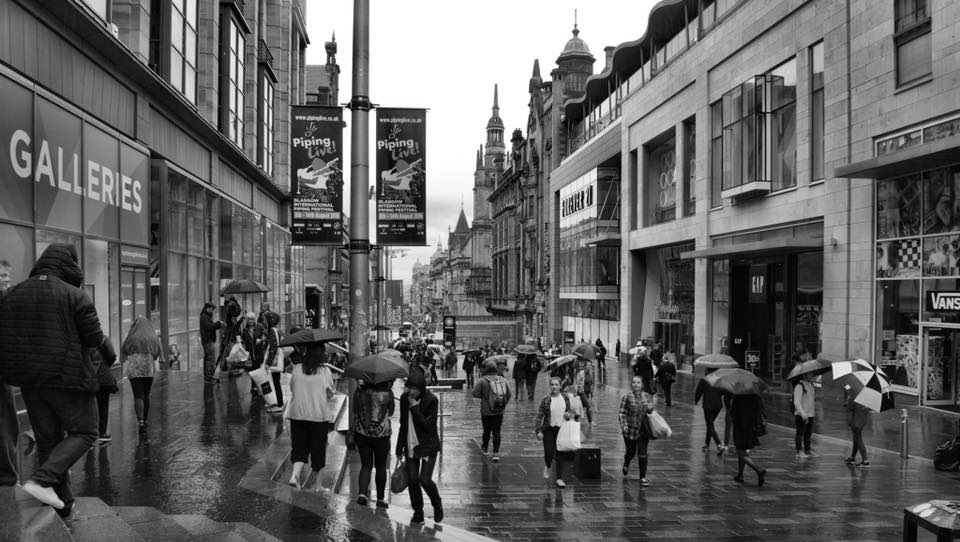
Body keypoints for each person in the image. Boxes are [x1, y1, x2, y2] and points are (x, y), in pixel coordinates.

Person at [0, 243, 112, 516]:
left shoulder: (11, 294)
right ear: (70, 266)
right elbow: (93, 338)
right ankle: (41, 480)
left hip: (30, 382)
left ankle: (63, 504)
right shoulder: (75, 295)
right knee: (86, 432)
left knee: (48, 441)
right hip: (68, 378)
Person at [285, 341, 336, 490]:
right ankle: (318, 486)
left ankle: (294, 476)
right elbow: (331, 393)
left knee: (299, 447)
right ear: (321, 354)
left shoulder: (297, 368)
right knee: (318, 449)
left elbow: (292, 387)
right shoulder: (325, 371)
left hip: (297, 414)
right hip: (318, 415)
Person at [396, 372, 443, 525]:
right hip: (410, 444)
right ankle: (418, 512)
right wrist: (398, 448)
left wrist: (415, 408)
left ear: (422, 388)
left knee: (425, 480)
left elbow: (428, 426)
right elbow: (403, 423)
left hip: (428, 445)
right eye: (409, 387)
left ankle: (437, 503)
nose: (411, 391)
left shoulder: (431, 400)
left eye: (414, 389)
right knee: (413, 479)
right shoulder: (404, 398)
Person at [351, 379, 395, 508]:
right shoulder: (388, 393)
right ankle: (380, 499)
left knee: (366, 464)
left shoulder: (359, 392)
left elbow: (355, 409)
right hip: (382, 434)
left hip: (362, 433)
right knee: (381, 467)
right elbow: (391, 412)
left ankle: (362, 495)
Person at [122, 317, 162, 434]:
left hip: (134, 369)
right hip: (148, 368)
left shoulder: (132, 336)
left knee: (138, 396)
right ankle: (145, 419)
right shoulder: (152, 336)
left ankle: (140, 422)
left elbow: (124, 348)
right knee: (146, 394)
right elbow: (156, 353)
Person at [536, 376, 575, 488]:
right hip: (548, 429)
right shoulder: (546, 399)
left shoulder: (565, 397)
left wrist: (568, 416)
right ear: (550, 386)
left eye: (556, 384)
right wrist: (538, 431)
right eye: (552, 384)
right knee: (548, 454)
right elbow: (539, 416)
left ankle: (559, 478)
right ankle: (547, 466)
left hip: (561, 429)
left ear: (560, 386)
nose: (554, 386)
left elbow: (569, 413)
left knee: (560, 455)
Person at [618, 375, 656, 485]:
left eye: (638, 382)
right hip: (630, 430)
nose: (636, 384)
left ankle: (643, 477)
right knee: (631, 452)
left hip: (643, 430)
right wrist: (624, 425)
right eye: (634, 382)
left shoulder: (647, 396)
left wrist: (650, 408)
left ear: (642, 385)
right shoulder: (627, 397)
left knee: (642, 453)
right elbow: (622, 413)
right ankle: (626, 462)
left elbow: (650, 412)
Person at [472, 360, 511, 462]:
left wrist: (484, 397)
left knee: (486, 430)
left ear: (486, 370)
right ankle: (496, 453)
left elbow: (474, 393)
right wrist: (503, 404)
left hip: (486, 411)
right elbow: (509, 394)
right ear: (496, 370)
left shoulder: (482, 381)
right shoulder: (502, 380)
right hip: (499, 411)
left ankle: (485, 448)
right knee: (497, 431)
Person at [730, 394, 767, 487]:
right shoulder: (756, 396)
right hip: (751, 427)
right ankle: (740, 475)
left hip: (740, 427)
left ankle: (758, 469)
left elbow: (732, 413)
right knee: (742, 450)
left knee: (740, 451)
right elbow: (762, 411)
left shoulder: (738, 396)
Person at [92, 338, 118, 444]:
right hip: (103, 375)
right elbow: (112, 355)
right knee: (103, 405)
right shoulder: (103, 339)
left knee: (89, 405)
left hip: (88, 375)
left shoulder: (81, 338)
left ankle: (90, 435)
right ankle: (102, 433)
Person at [694, 368, 725, 455]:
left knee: (710, 425)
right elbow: (723, 392)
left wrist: (696, 400)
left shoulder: (704, 380)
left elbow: (698, 391)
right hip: (718, 406)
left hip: (708, 406)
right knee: (710, 424)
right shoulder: (719, 380)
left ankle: (719, 444)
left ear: (707, 371)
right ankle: (707, 444)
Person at [262, 311, 285, 413]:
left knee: (276, 382)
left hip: (274, 360)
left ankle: (279, 404)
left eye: (265, 320)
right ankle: (277, 402)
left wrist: (268, 362)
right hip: (275, 359)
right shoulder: (277, 330)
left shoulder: (272, 330)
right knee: (276, 382)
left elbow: (273, 347)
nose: (264, 322)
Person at [241, 312, 266, 394]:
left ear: (254, 319)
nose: (250, 321)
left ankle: (260, 387)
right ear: (247, 321)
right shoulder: (245, 330)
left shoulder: (259, 326)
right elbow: (243, 340)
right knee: (252, 371)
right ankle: (254, 387)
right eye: (248, 319)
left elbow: (265, 335)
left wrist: (261, 339)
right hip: (250, 354)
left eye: (252, 319)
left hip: (259, 352)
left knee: (259, 370)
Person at [200, 302, 224, 384]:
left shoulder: (206, 316)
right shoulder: (204, 317)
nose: (212, 311)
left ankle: (210, 376)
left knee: (210, 358)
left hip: (209, 341)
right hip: (208, 341)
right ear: (207, 308)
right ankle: (208, 377)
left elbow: (211, 327)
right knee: (209, 359)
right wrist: (218, 323)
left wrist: (218, 324)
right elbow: (209, 327)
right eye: (211, 309)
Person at [219, 297, 244, 377]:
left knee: (232, 352)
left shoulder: (229, 312)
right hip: (231, 336)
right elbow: (234, 325)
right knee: (231, 353)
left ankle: (230, 368)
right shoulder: (231, 313)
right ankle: (230, 368)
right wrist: (240, 320)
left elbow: (235, 325)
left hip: (231, 335)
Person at [844, 391, 870, 467]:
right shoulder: (867, 395)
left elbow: (849, 408)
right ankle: (852, 457)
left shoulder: (854, 394)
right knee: (856, 439)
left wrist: (848, 401)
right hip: (862, 420)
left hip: (856, 421)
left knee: (858, 439)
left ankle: (865, 461)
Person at [793, 373, 816, 458]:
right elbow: (797, 402)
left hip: (810, 414)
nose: (812, 376)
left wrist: (811, 414)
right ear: (805, 375)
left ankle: (807, 450)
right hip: (801, 414)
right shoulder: (799, 386)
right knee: (800, 433)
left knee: (808, 433)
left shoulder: (811, 385)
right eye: (810, 375)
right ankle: (798, 451)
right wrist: (802, 413)